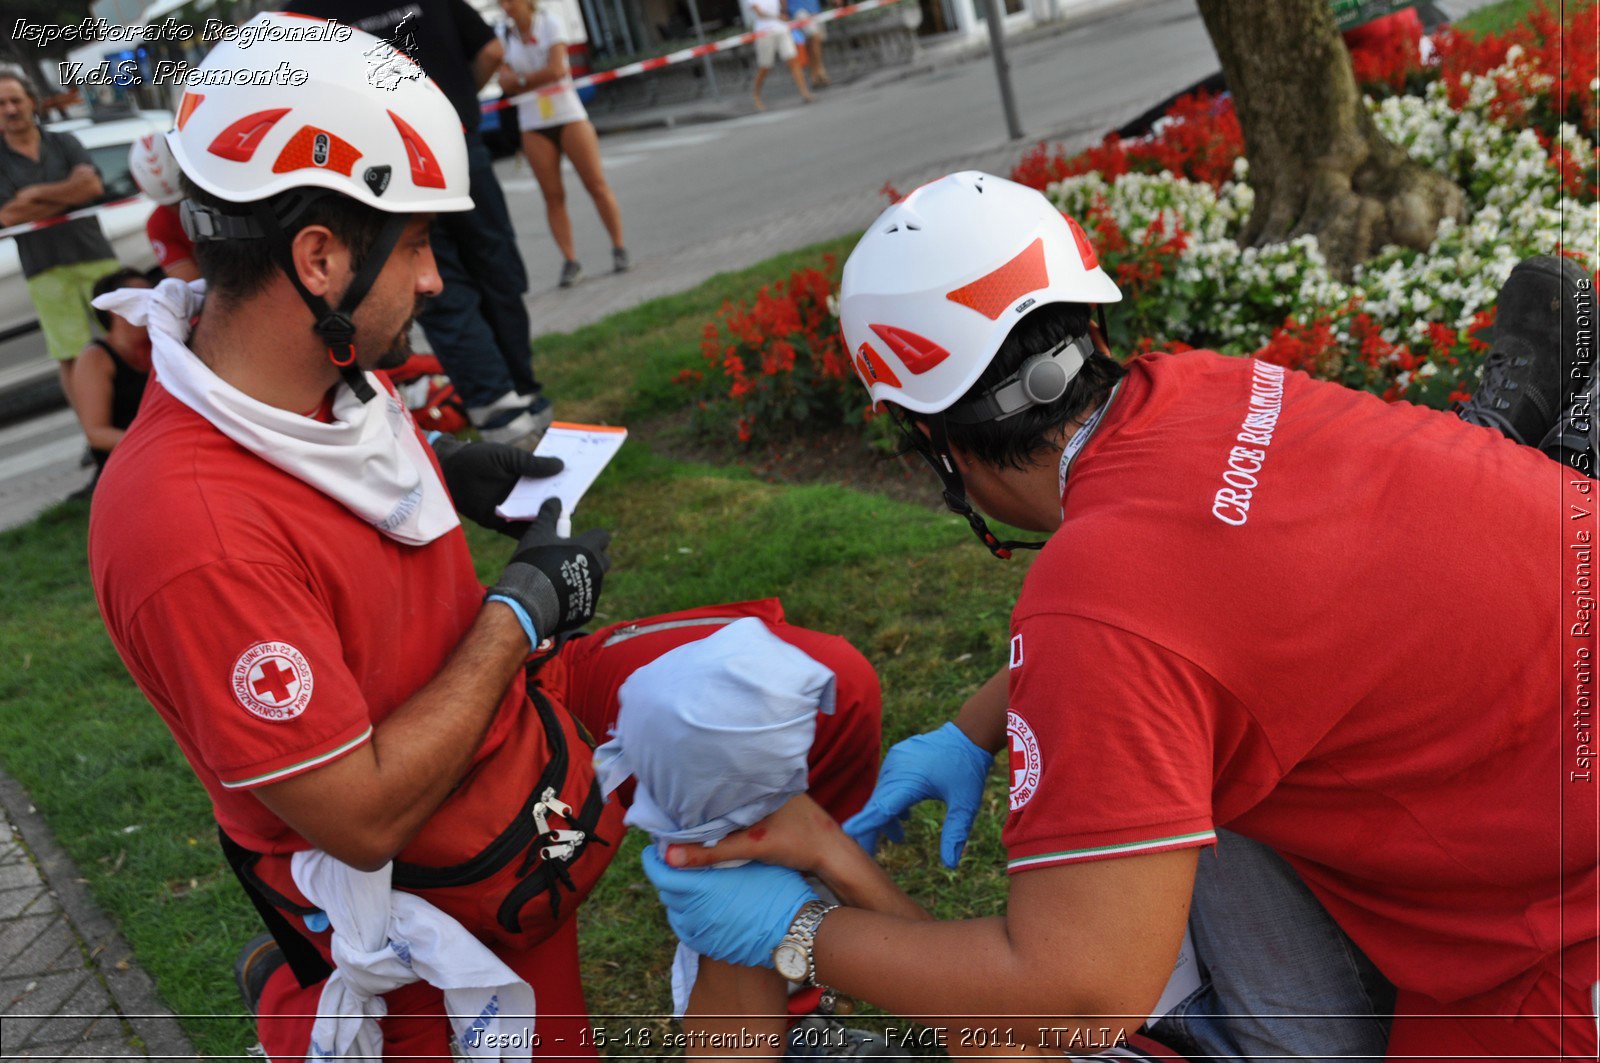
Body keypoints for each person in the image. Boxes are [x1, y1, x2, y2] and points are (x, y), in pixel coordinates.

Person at [642, 172, 1599, 1060]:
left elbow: (1079, 992)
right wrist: (971, 729)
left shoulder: (1098, 602)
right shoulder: (1212, 388)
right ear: (1089, 330)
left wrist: (801, 933)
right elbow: (1197, 612)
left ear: (933, 441)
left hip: (1560, 934)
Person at [88, 17, 882, 1060]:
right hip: (423, 857)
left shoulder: (301, 364)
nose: (430, 280)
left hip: (509, 720)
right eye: (415, 244)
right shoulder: (186, 525)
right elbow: (360, 814)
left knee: (818, 693)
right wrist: (519, 614)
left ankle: (779, 995)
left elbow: (345, 460)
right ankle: (301, 987)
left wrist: (452, 471)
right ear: (317, 257)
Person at [284, 0, 556, 449]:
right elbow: (489, 51)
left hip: (384, 167)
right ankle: (523, 393)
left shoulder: (305, 10)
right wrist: (454, 105)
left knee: (439, 287)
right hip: (456, 146)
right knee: (494, 265)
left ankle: (502, 411)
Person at [0, 69, 119, 418]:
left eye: (16, 100)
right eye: (1, 103)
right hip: (44, 266)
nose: (10, 109)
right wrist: (70, 191)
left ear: (31, 102)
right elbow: (8, 216)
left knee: (125, 335)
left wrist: (34, 195)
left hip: (93, 254)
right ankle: (93, 428)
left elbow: (93, 189)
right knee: (72, 354)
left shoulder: (65, 142)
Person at [496, 0, 629, 289]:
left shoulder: (549, 24)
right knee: (552, 196)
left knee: (595, 184)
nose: (505, 7)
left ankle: (618, 247)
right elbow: (504, 83)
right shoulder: (503, 33)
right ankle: (570, 260)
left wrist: (521, 80)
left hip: (568, 115)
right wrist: (526, 80)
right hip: (533, 122)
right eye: (501, 2)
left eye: (509, 1)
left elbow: (557, 70)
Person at [75, 267, 151, 485]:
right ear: (115, 309)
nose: (155, 303)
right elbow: (97, 433)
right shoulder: (96, 358)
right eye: (143, 298)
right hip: (128, 465)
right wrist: (154, 443)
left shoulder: (164, 343)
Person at [128, 133, 199, 283]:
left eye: (187, 199)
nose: (183, 210)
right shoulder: (159, 224)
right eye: (173, 205)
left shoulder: (228, 195)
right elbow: (190, 284)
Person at [749, 0, 813, 111]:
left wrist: (784, 12)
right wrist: (778, 16)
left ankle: (805, 92)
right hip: (764, 32)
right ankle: (756, 96)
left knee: (793, 61)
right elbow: (759, 12)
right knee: (765, 66)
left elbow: (782, 4)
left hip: (781, 28)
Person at [787, 0, 830, 88]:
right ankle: (819, 71)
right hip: (798, 9)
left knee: (813, 43)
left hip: (814, 8)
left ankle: (815, 74)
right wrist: (784, 11)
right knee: (814, 36)